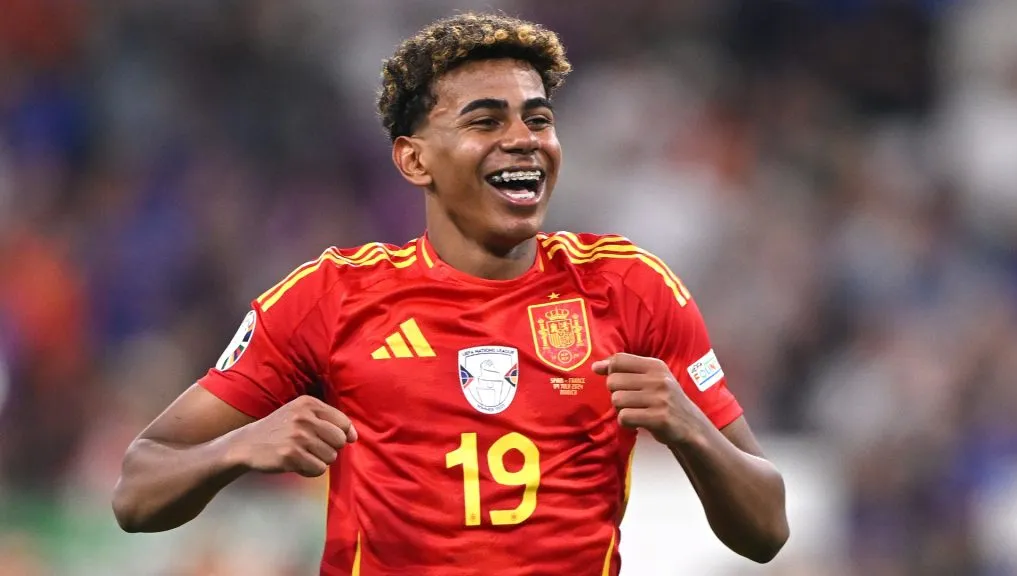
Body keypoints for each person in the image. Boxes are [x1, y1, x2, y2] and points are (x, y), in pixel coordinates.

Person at [112, 12, 789, 575]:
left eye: (538, 118)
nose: (523, 140)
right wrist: (237, 448)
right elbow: (138, 490)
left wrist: (691, 427)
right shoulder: (331, 296)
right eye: (486, 121)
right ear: (414, 159)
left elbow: (767, 529)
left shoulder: (630, 288)